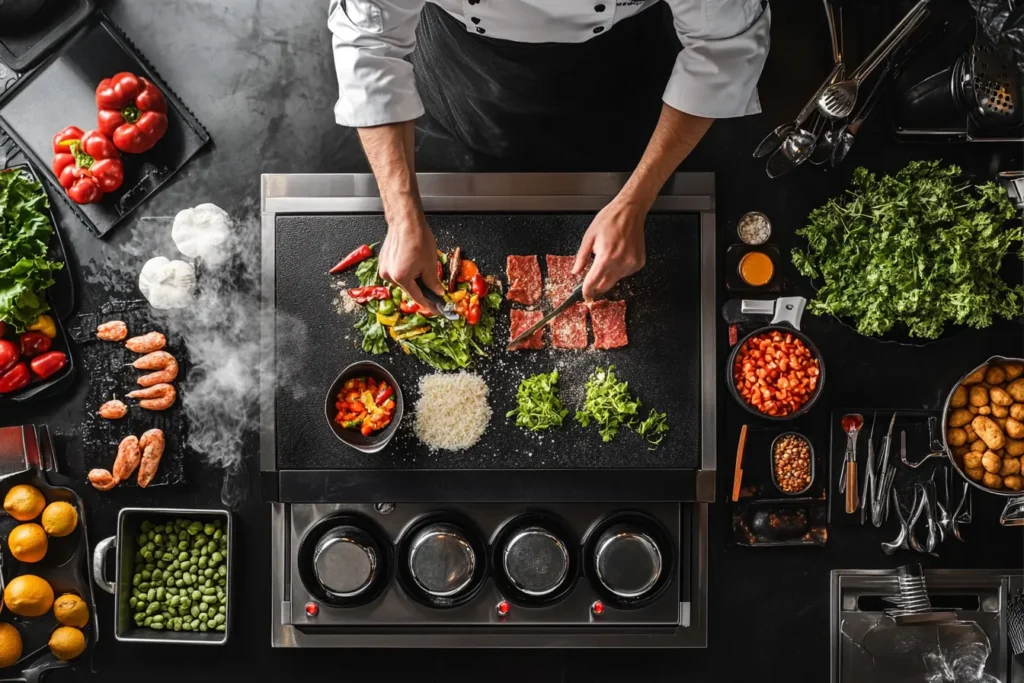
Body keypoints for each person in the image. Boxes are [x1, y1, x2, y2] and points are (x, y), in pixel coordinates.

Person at [329, 0, 770, 309]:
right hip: (468, 65)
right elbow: (370, 42)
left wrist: (636, 200)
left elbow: (722, 49)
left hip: (621, 58)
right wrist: (402, 217)